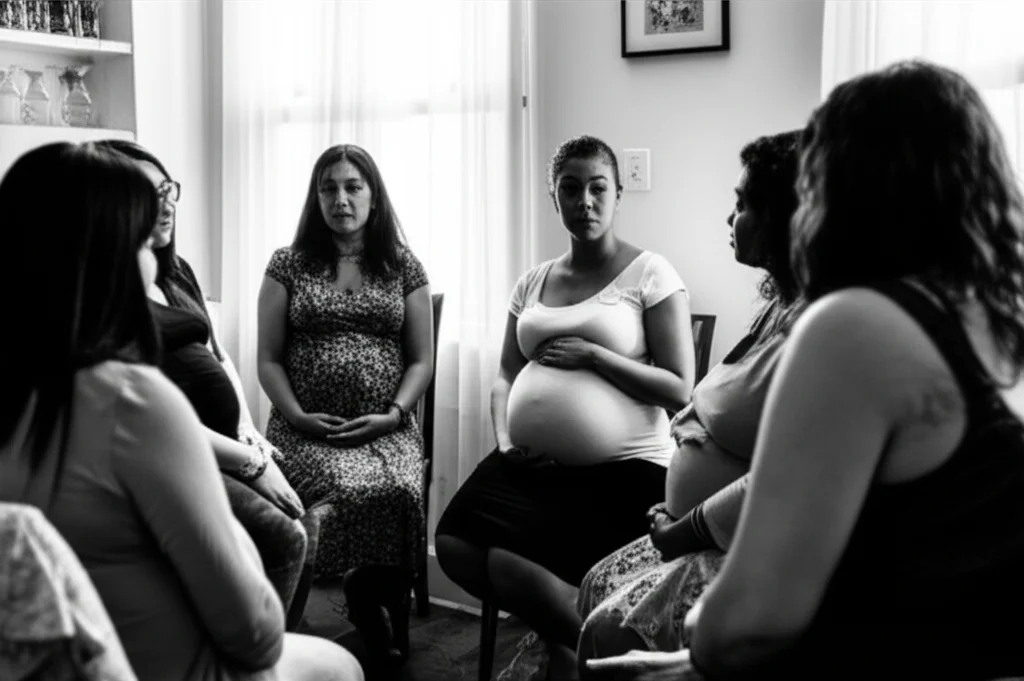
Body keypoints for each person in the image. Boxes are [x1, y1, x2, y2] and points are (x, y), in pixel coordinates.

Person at [588, 60, 1024, 681]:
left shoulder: (856, 325)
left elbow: (746, 626)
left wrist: (700, 632)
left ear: (846, 193)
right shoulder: (996, 317)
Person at [0, 141, 363, 681]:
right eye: (141, 240)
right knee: (341, 665)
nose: (152, 256)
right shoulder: (132, 403)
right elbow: (257, 636)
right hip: (174, 665)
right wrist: (234, 499)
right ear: (102, 257)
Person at [436, 134, 695, 680]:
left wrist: (596, 356)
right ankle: (564, 637)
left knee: (507, 563)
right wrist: (506, 442)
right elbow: (506, 374)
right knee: (454, 543)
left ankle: (593, 660)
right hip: (531, 467)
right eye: (570, 189)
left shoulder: (650, 273)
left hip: (624, 470)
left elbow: (678, 388)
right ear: (554, 198)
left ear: (618, 193)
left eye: (598, 188)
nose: (585, 201)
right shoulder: (533, 280)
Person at [564, 129, 803, 678]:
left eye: (742, 205)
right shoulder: (778, 305)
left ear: (787, 217)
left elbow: (782, 472)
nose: (730, 219)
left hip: (741, 542)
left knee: (606, 630)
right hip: (688, 519)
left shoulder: (819, 325)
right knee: (596, 583)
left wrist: (689, 524)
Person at [95, 139, 311, 630]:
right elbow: (142, 417)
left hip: (223, 442)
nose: (166, 203)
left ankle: (277, 634)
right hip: (170, 456)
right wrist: (251, 463)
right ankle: (247, 653)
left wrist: (247, 428)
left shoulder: (176, 272)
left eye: (168, 188)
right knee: (283, 534)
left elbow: (220, 355)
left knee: (307, 507)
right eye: (147, 193)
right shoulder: (106, 292)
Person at [257, 143, 434, 665]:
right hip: (304, 429)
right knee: (338, 491)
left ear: (374, 197)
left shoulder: (403, 265)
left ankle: (370, 597)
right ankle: (298, 619)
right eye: (328, 187)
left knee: (400, 490)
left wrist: (395, 415)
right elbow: (267, 359)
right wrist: (296, 416)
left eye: (353, 186)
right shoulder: (287, 264)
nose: (341, 198)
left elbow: (421, 360)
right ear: (316, 198)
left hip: (388, 426)